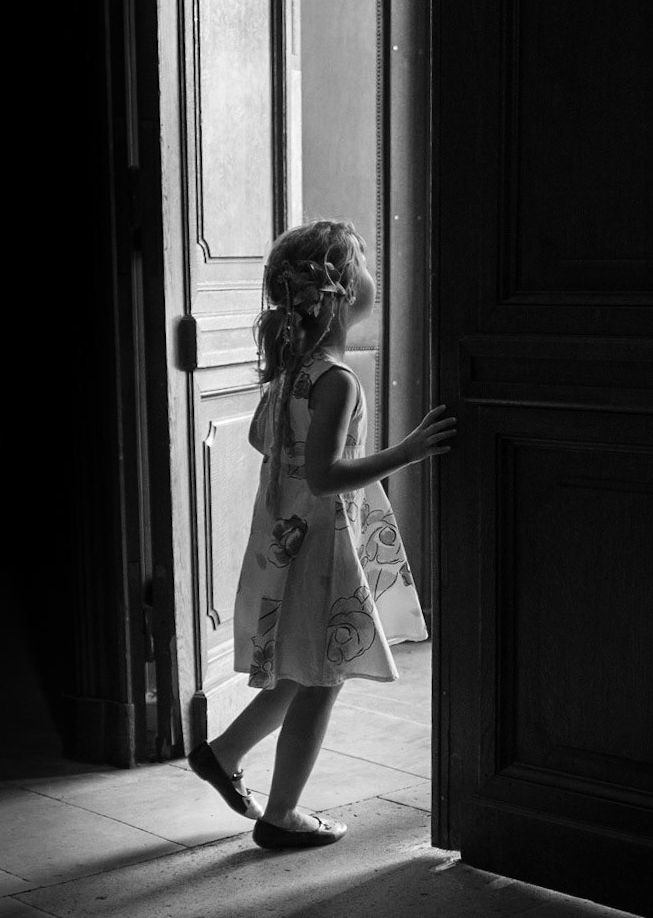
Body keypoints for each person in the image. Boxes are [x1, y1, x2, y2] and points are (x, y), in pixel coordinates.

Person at [188, 218, 455, 849]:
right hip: (321, 548)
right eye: (362, 266)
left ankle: (222, 755)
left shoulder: (293, 370)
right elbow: (328, 473)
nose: (370, 278)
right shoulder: (336, 377)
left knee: (297, 670)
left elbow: (262, 440)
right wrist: (409, 451)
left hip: (289, 536)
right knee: (322, 679)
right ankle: (282, 816)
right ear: (341, 292)